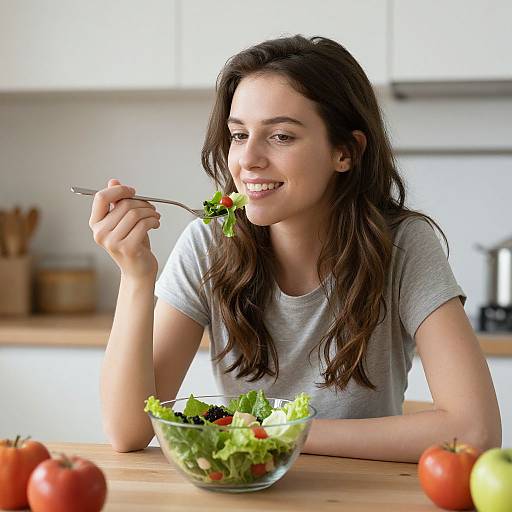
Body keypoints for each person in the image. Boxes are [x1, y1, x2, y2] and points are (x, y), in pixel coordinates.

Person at [89, 35, 501, 461]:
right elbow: (128, 430)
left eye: (281, 136)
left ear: (345, 151)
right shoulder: (209, 243)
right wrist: (136, 276)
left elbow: (476, 430)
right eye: (239, 134)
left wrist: (275, 433)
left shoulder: (402, 245)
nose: (247, 160)